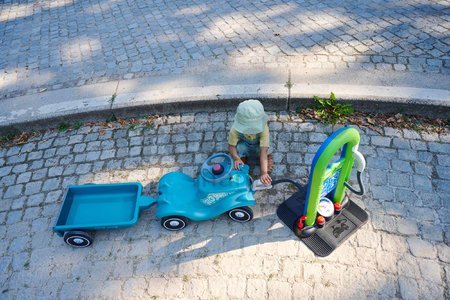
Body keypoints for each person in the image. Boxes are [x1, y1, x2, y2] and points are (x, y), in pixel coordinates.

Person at [228, 99, 273, 185]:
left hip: (258, 146)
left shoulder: (264, 129)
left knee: (267, 149)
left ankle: (268, 158)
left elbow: (264, 150)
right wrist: (236, 158)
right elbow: (231, 146)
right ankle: (242, 158)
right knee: (239, 148)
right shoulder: (235, 130)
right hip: (244, 145)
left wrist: (263, 172)